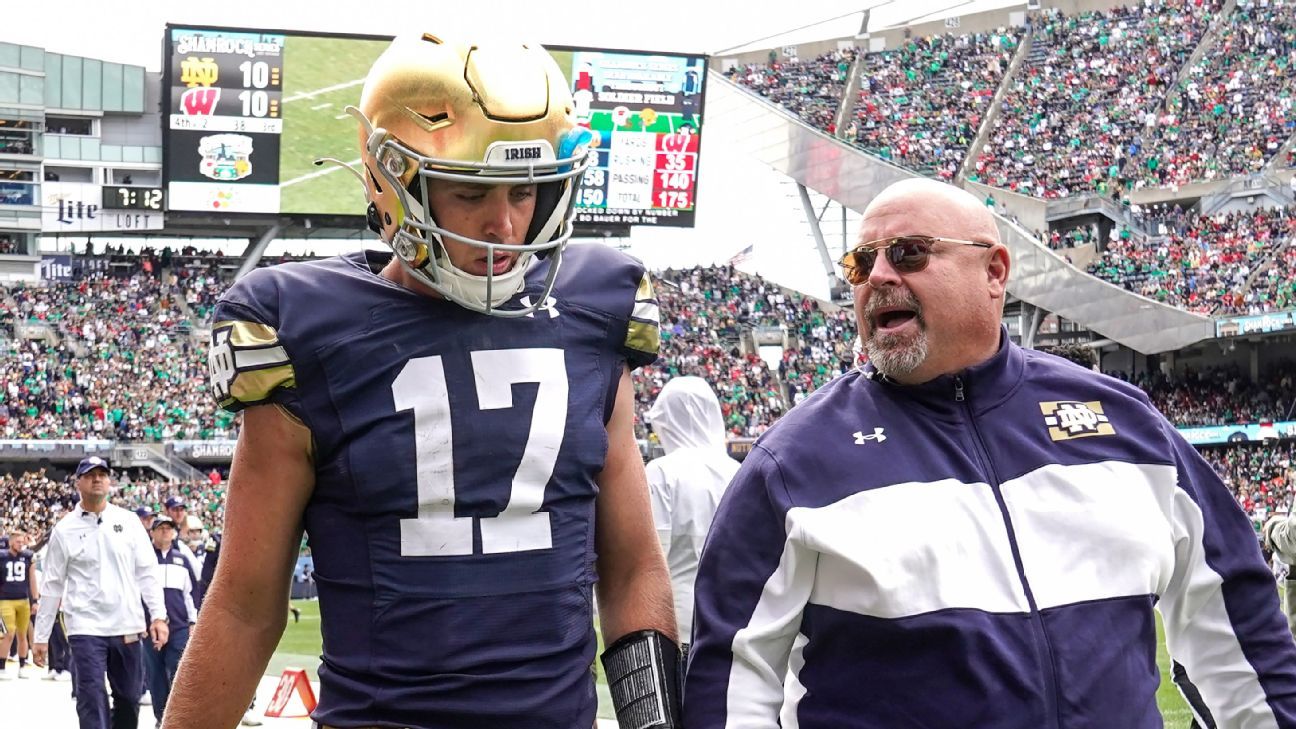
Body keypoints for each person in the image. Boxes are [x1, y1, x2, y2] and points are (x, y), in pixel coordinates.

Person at [165, 32, 678, 729]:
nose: (505, 223)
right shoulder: (309, 331)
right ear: (391, 181)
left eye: (525, 191)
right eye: (471, 192)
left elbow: (631, 568)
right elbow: (246, 604)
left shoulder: (593, 312)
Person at [683, 178, 1296, 727]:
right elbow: (731, 685)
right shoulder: (792, 462)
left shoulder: (1126, 422)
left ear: (995, 272)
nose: (877, 277)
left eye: (909, 253)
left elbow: (1235, 627)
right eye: (861, 261)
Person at [33, 456, 170, 729]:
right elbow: (52, 586)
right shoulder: (64, 529)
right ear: (78, 482)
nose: (97, 479)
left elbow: (147, 572)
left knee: (129, 699)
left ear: (109, 482)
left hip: (126, 624)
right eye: (90, 474)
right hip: (85, 627)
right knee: (91, 696)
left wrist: (158, 616)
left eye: (102, 474)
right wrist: (41, 636)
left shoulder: (129, 521)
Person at [643, 376, 740, 646]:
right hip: (732, 618)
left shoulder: (661, 472)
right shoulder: (737, 471)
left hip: (678, 621)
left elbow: (652, 555)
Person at [143, 516, 197, 728]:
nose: (166, 532)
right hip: (151, 626)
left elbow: (190, 593)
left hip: (179, 625)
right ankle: (161, 717)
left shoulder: (182, 559)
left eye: (169, 528)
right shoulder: (145, 560)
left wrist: (193, 621)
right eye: (161, 528)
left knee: (178, 670)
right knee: (155, 673)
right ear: (153, 532)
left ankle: (178, 715)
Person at [0, 530, 39, 679]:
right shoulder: (2, 557)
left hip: (23, 600)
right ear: (10, 542)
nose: (21, 544)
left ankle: (22, 666)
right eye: (18, 541)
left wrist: (35, 600)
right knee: (7, 634)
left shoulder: (28, 557)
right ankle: (1, 667)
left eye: (22, 542)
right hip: (5, 600)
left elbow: (32, 580)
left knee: (23, 635)